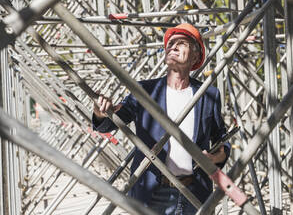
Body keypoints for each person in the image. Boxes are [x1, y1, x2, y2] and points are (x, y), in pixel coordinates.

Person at [92, 23, 230, 214]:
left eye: (181, 43)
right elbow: (108, 124)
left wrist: (217, 157)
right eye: (170, 43)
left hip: (196, 191)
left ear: (196, 56)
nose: (172, 46)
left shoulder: (209, 94)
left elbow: (221, 138)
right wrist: (101, 112)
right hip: (153, 192)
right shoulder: (144, 91)